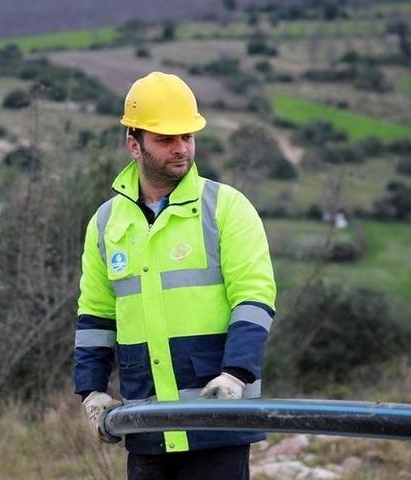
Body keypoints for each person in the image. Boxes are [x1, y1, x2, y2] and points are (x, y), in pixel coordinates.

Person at [73, 71, 277, 480]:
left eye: (187, 136)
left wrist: (235, 375)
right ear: (135, 145)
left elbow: (254, 299)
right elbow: (95, 316)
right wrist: (92, 392)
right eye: (166, 140)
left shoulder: (227, 208)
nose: (181, 148)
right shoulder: (106, 224)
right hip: (146, 424)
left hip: (218, 422)